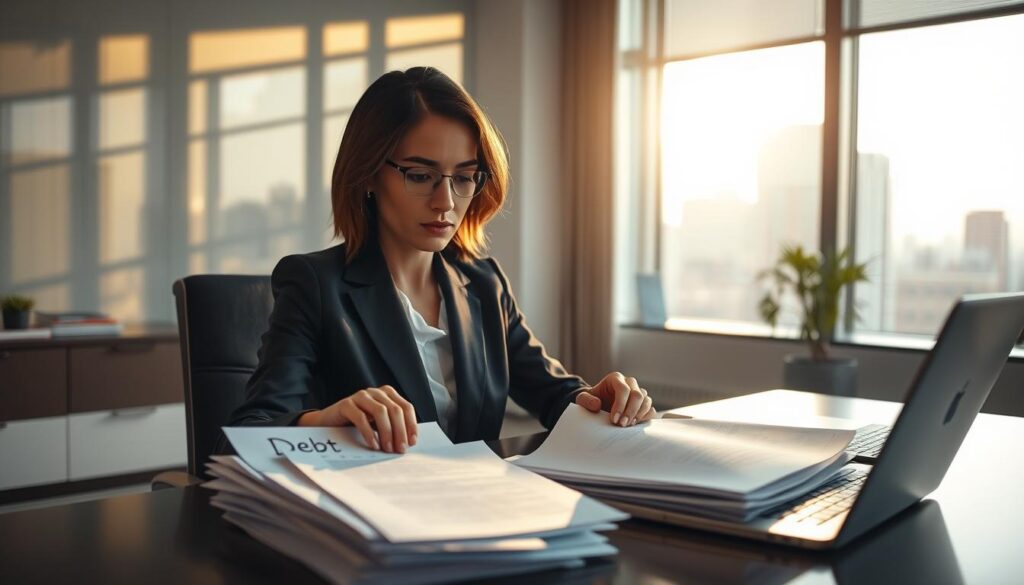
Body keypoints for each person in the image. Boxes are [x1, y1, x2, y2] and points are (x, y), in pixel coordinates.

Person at [228, 67, 655, 453]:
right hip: (365, 522)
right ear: (369, 175)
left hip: (472, 515)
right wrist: (325, 422)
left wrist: (599, 400)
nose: (446, 202)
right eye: (419, 175)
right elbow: (244, 435)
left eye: (465, 177)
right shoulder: (315, 284)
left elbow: (555, 395)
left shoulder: (484, 284)